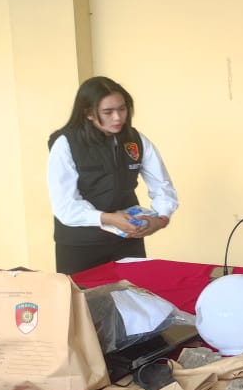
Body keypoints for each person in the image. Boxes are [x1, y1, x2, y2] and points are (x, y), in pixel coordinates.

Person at [47, 76, 178, 274]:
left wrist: (160, 220)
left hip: (127, 241)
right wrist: (108, 218)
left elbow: (163, 185)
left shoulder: (135, 139)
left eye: (122, 109)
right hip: (81, 246)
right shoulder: (66, 144)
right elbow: (64, 206)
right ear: (88, 113)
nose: (117, 118)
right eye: (108, 112)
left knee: (134, 292)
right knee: (85, 294)